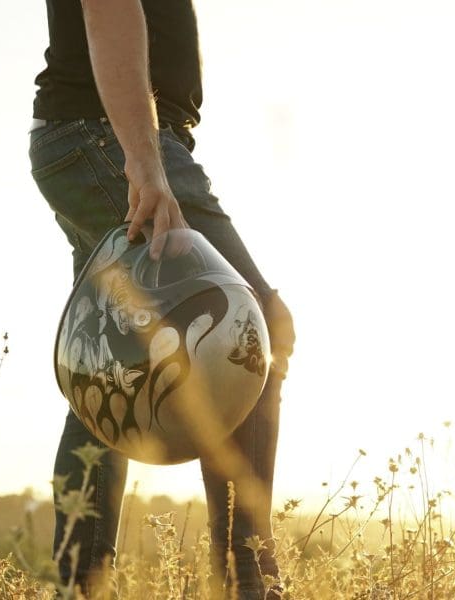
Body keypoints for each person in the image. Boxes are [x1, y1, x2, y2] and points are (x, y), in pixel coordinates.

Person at [28, 1, 295, 599]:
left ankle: (81, 585)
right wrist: (146, 164)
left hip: (97, 136)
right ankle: (246, 581)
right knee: (250, 325)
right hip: (109, 137)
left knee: (115, 363)